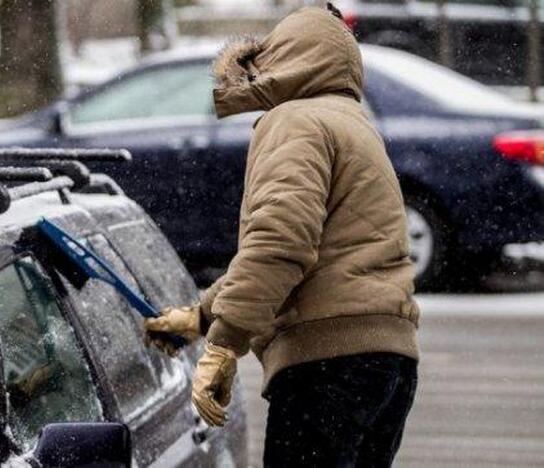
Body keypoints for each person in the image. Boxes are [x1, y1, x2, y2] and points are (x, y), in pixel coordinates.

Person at [145, 5, 420, 467]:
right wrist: (202, 318)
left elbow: (280, 245)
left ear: (288, 60)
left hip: (327, 367)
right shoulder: (354, 124)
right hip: (387, 364)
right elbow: (311, 251)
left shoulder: (295, 121)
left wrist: (224, 346)